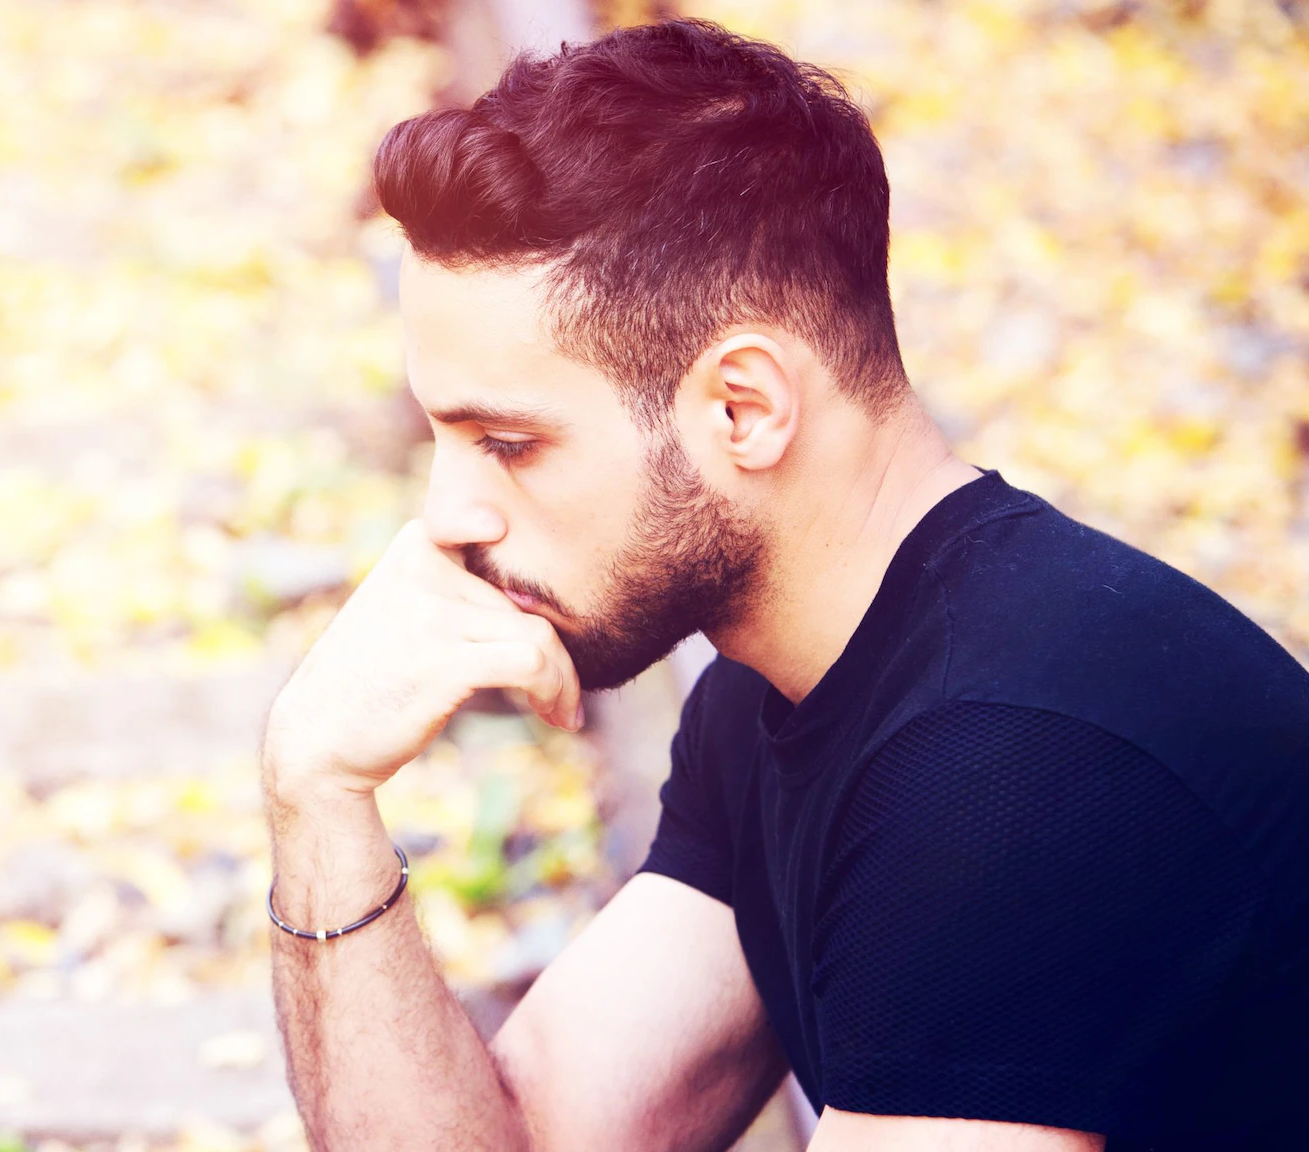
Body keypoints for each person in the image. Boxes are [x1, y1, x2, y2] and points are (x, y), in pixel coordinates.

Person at [258, 18, 1309, 1151]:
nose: (445, 516)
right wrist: (315, 791)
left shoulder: (1014, 765)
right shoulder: (781, 687)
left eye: (507, 444)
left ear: (743, 408)